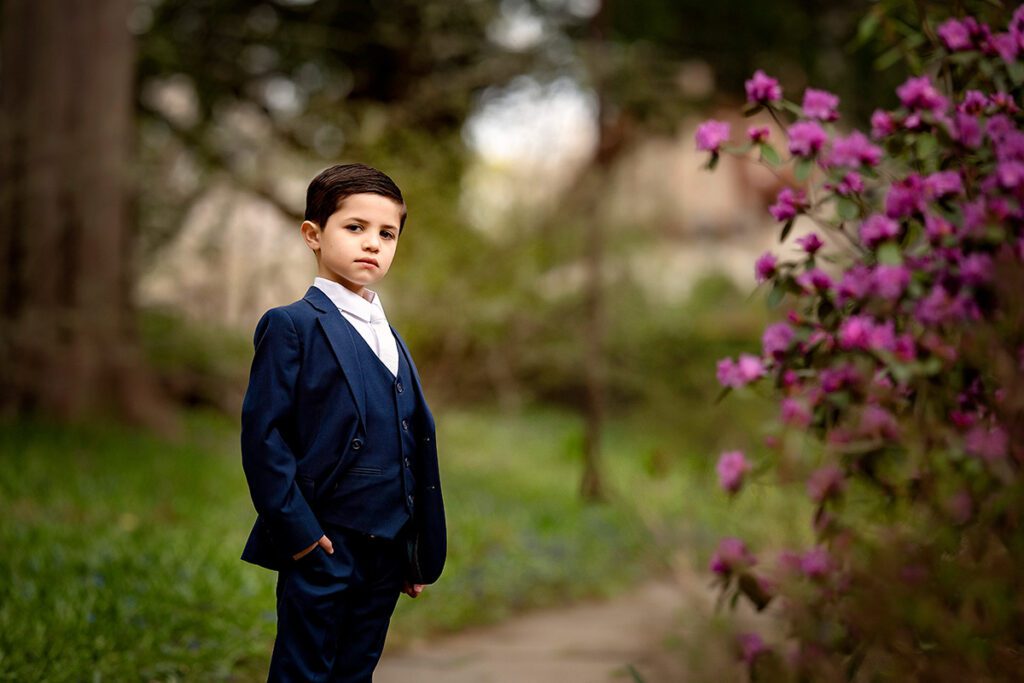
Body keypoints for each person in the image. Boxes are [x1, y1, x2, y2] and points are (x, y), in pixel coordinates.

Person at [239, 163, 446, 682]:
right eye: (354, 227)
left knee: (357, 670)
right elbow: (265, 439)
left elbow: (412, 439)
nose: (372, 243)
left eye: (387, 233)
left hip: (389, 547)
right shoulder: (292, 326)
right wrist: (301, 535)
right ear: (314, 234)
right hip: (324, 542)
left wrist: (414, 546)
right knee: (305, 670)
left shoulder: (391, 337)